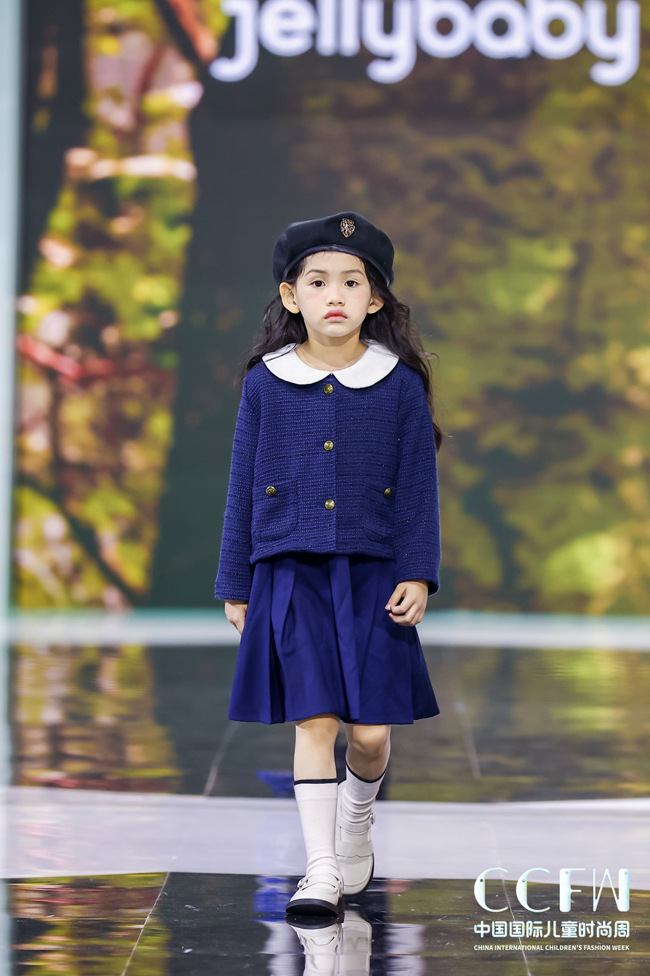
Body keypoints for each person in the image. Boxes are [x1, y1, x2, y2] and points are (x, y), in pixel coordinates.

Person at [214, 211, 443, 918]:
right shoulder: (266, 382)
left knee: (369, 735)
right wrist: (236, 581)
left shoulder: (399, 384)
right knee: (313, 721)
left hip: (374, 574)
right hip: (290, 572)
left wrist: (418, 571)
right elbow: (242, 482)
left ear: (376, 299)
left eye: (351, 281)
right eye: (317, 282)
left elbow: (417, 487)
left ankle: (356, 822)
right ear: (292, 297)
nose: (334, 294)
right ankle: (319, 870)